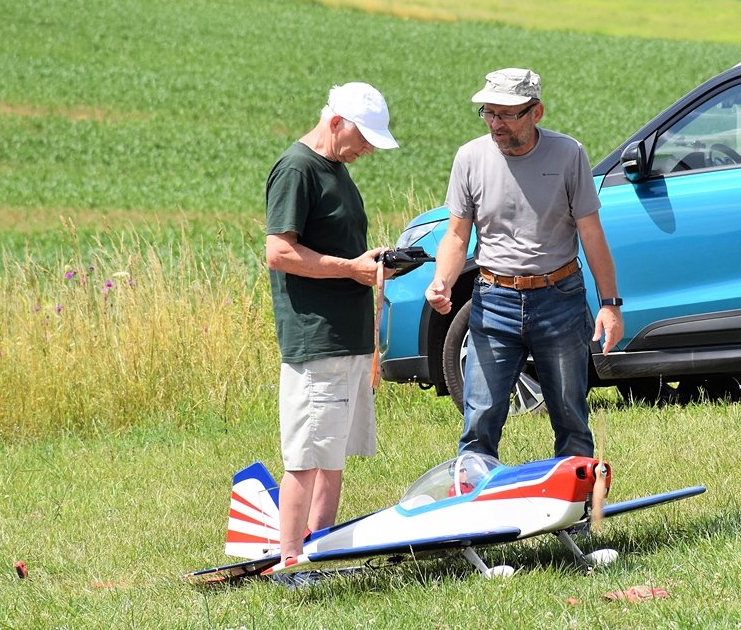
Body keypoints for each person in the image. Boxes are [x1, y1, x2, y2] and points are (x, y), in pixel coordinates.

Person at [425, 68, 624, 460]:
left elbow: (591, 232)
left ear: (536, 112)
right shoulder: (470, 158)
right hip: (493, 302)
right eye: (488, 112)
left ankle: (576, 499)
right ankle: (477, 497)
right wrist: (442, 281)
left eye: (506, 114)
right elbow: (456, 235)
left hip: (559, 300)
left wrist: (610, 304)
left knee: (570, 416)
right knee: (479, 419)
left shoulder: (569, 154)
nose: (495, 124)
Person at [265, 81, 399, 566]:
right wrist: (351, 269)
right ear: (336, 122)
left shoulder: (336, 168)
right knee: (305, 457)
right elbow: (278, 252)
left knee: (333, 455)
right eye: (364, 138)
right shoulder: (296, 169)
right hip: (316, 338)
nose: (367, 150)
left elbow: (339, 249)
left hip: (349, 337)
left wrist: (374, 264)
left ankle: (317, 551)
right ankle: (289, 560)